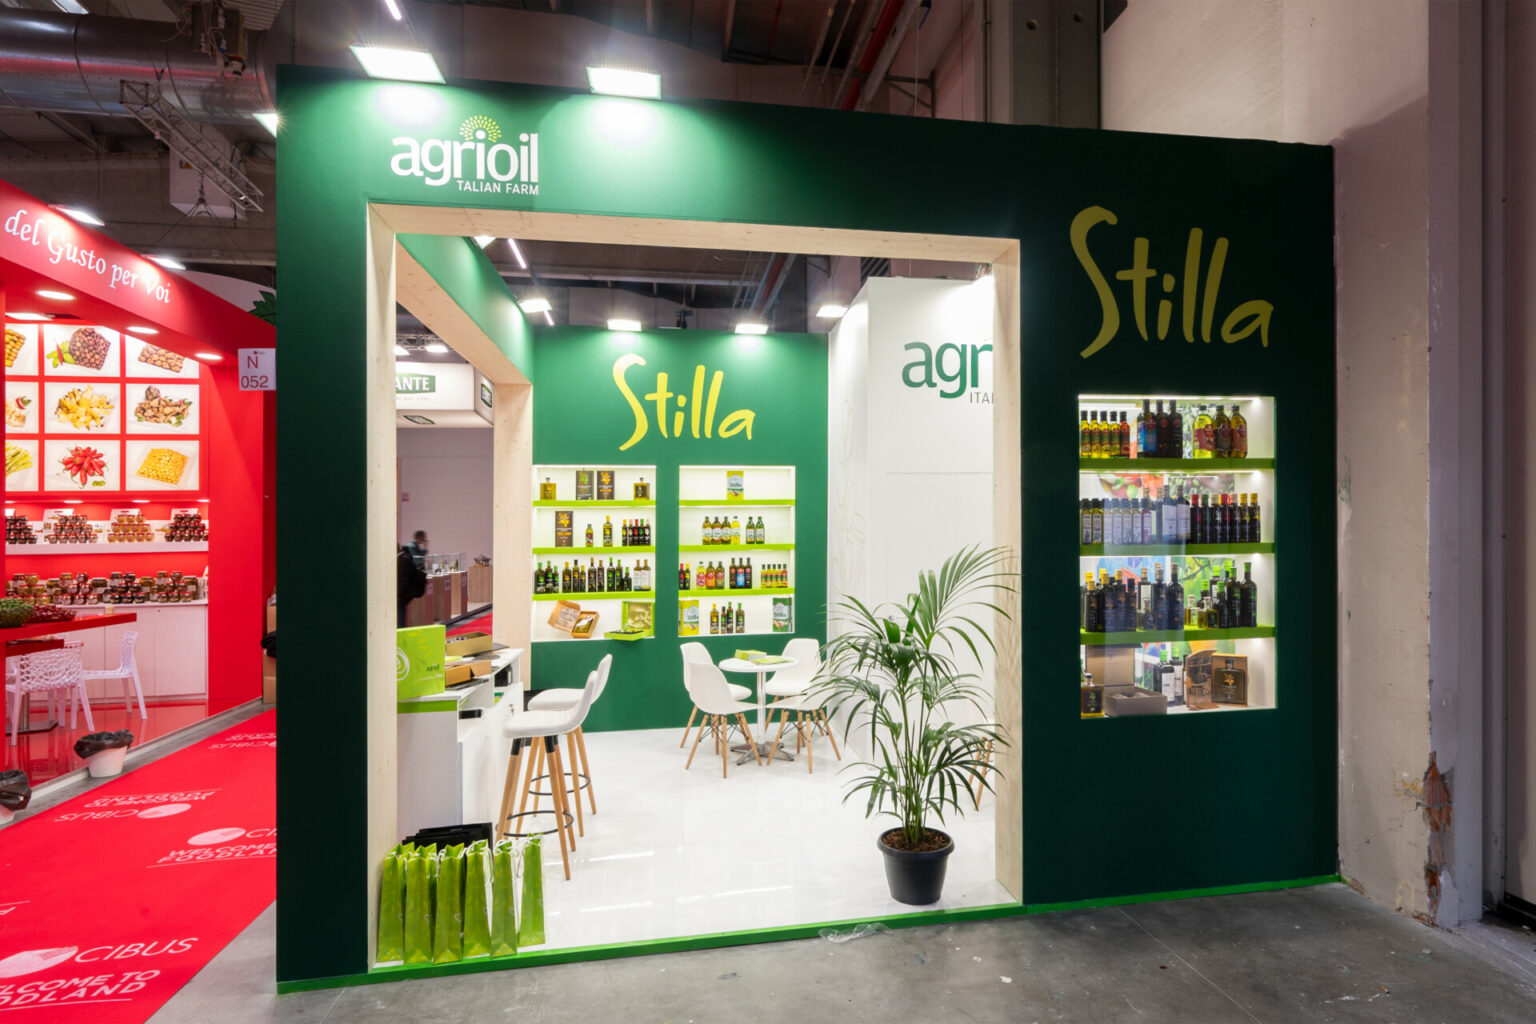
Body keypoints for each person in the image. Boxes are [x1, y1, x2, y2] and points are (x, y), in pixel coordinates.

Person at [398, 542, 427, 627]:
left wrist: (399, 593)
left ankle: (400, 636)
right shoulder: (406, 556)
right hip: (403, 593)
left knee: (400, 617)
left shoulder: (403, 559)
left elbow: (403, 579)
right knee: (401, 615)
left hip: (402, 594)